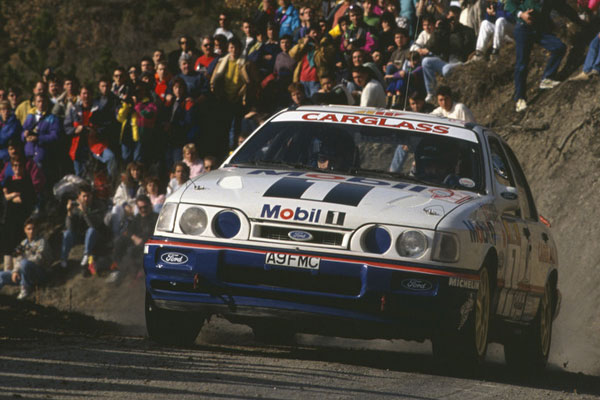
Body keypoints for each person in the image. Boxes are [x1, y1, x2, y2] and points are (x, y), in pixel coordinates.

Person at [505, 0, 573, 112]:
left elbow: (559, 8)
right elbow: (508, 4)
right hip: (523, 28)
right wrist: (521, 14)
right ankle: (520, 99)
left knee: (559, 47)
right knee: (521, 65)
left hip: (539, 29)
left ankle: (547, 78)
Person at [421, 7, 476, 103]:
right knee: (426, 62)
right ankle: (431, 92)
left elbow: (463, 48)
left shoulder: (467, 31)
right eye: (450, 18)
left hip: (460, 61)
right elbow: (430, 46)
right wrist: (438, 30)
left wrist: (453, 32)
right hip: (445, 61)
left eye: (454, 18)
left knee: (446, 69)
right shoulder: (443, 30)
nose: (452, 21)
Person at [107, 195, 158, 284]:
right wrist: (134, 237)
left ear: (150, 205)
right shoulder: (138, 217)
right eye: (140, 208)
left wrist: (141, 241)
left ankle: (129, 274)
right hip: (136, 241)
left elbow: (154, 235)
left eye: (145, 207)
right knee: (119, 241)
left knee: (132, 250)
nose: (143, 210)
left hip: (148, 245)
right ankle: (118, 268)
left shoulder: (155, 218)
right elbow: (129, 230)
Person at [0, 218, 51, 299]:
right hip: (24, 271)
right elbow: (18, 259)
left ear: (37, 229)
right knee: (1, 274)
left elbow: (39, 258)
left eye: (33, 229)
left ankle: (25, 289)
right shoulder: (23, 243)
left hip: (39, 273)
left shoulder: (42, 241)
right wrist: (15, 271)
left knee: (24, 263)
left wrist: (24, 262)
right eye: (29, 229)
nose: (31, 231)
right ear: (25, 230)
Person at [61, 184, 106, 275]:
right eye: (84, 196)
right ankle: (63, 261)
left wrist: (85, 213)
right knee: (67, 234)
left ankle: (86, 256)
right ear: (79, 197)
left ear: (92, 196)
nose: (86, 199)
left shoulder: (98, 205)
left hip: (96, 237)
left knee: (91, 230)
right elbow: (70, 228)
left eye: (88, 196)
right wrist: (69, 213)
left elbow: (94, 225)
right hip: (81, 236)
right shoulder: (76, 207)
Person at [1, 157, 36, 273]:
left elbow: (24, 199)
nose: (17, 168)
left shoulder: (27, 180)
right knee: (8, 242)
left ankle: (17, 270)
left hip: (21, 216)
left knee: (18, 242)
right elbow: (6, 196)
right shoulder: (8, 180)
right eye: (14, 166)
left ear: (23, 167)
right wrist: (14, 194)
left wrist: (12, 196)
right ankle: (7, 270)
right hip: (9, 216)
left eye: (19, 166)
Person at [290, 24, 336, 98]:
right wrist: (304, 44)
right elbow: (292, 54)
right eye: (313, 33)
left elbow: (324, 58)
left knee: (315, 101)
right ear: (308, 34)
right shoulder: (303, 44)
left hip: (316, 80)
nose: (315, 35)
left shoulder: (325, 44)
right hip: (302, 80)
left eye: (317, 33)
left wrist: (318, 45)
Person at [106, 161, 145, 236]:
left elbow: (146, 198)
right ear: (130, 171)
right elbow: (117, 198)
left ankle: (138, 234)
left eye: (137, 170)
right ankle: (115, 235)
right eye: (133, 170)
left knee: (138, 209)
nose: (135, 172)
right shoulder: (123, 184)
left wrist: (134, 207)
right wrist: (125, 205)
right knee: (116, 208)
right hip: (125, 208)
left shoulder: (144, 184)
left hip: (136, 208)